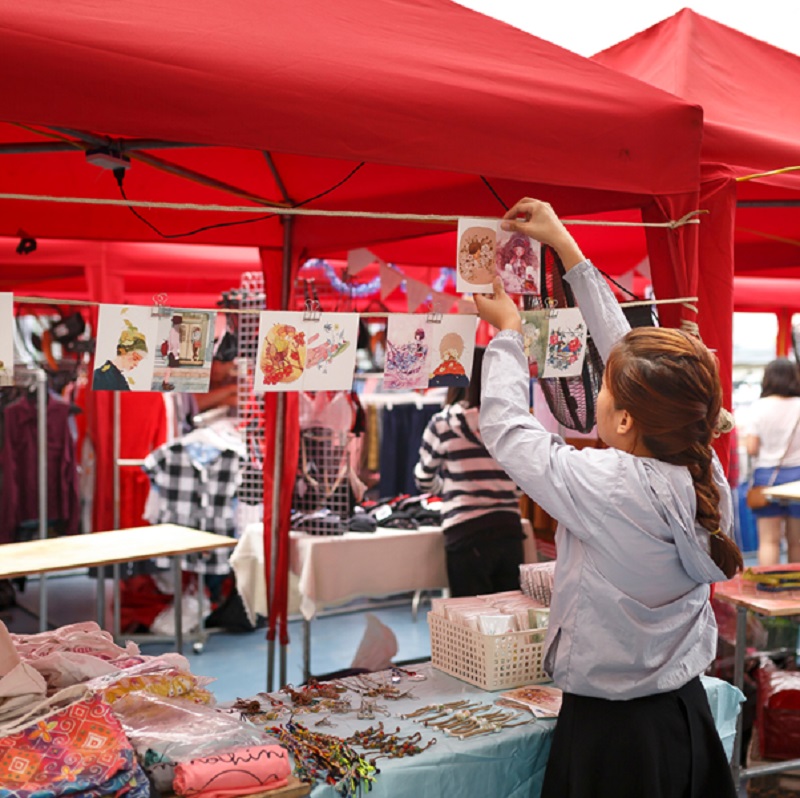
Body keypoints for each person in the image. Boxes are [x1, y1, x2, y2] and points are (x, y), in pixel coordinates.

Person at [474, 198, 742, 798]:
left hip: (611, 739)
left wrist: (511, 338)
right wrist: (565, 248)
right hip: (683, 715)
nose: (596, 391)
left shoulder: (605, 485)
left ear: (624, 422)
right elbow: (632, 357)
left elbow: (509, 431)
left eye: (604, 390)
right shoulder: (703, 473)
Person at [413, 346, 524, 597]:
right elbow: (521, 484)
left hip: (466, 532)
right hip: (508, 529)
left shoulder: (443, 423)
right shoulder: (511, 423)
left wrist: (449, 488)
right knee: (507, 624)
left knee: (470, 627)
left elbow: (423, 479)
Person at [744, 358, 800, 565]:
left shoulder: (759, 407)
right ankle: (796, 590)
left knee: (769, 541)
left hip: (767, 477)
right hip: (797, 477)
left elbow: (751, 448)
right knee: (797, 542)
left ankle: (770, 590)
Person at [92, 319, 148, 391]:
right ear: (123, 351)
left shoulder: (101, 375)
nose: (136, 364)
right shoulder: (102, 377)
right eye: (135, 358)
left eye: (139, 361)